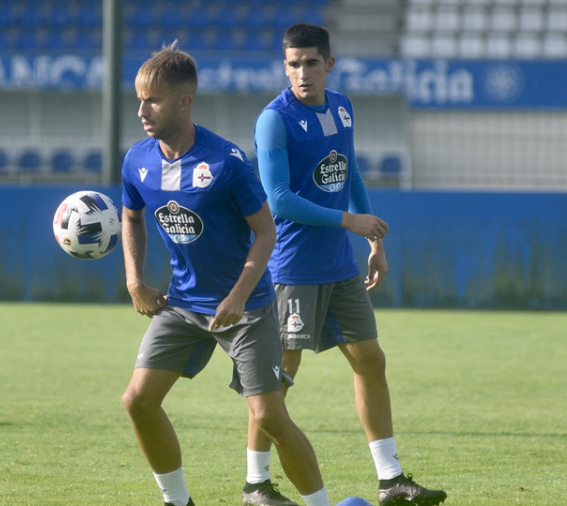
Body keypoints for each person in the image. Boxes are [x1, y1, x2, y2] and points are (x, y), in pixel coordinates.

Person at [240, 24, 446, 506]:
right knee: (277, 382)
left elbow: (348, 169)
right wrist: (350, 220)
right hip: (293, 269)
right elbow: (280, 200)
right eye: (293, 64)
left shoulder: (342, 107)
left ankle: (391, 479)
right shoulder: (275, 120)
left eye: (311, 62)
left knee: (370, 360)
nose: (302, 72)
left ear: (329, 64)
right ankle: (255, 484)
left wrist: (372, 238)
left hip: (340, 265)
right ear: (284, 66)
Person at [121, 42, 333, 506]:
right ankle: (177, 501)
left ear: (184, 101)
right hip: (182, 306)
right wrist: (135, 281)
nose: (141, 110)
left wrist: (238, 296)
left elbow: (266, 233)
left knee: (271, 416)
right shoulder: (137, 160)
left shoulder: (225, 162)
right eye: (138, 99)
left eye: (151, 100)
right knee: (137, 400)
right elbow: (131, 216)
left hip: (248, 308)